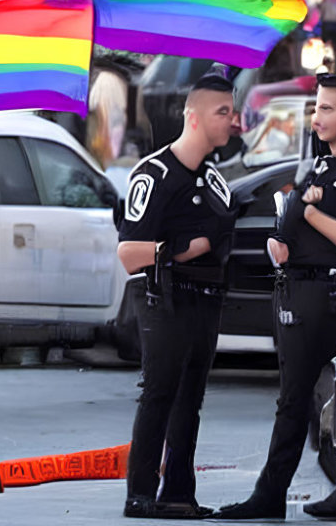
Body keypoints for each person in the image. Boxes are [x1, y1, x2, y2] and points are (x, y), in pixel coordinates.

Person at [218, 73, 336, 521]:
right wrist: (278, 242)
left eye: (323, 108)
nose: (314, 117)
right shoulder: (317, 166)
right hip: (297, 295)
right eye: (314, 107)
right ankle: (270, 493)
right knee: (292, 400)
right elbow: (289, 224)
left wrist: (313, 215)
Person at [117, 70, 241, 520]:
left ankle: (179, 494)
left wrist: (202, 247)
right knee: (160, 393)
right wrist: (182, 250)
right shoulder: (153, 174)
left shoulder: (214, 181)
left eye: (232, 110)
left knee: (192, 398)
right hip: (163, 298)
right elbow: (129, 253)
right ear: (194, 117)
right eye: (223, 112)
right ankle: (140, 494)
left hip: (206, 298)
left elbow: (224, 232)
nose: (233, 120)